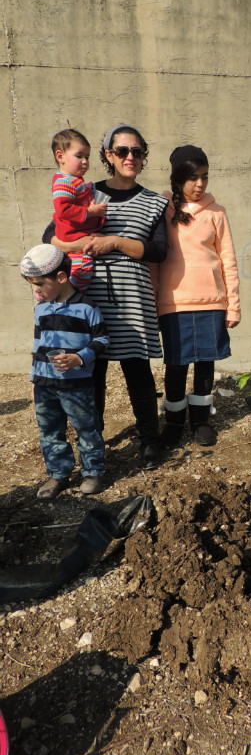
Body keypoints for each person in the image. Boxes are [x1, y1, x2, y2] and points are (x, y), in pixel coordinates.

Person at [44, 123, 169, 469]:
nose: (130, 157)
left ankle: (148, 441)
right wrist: (79, 245)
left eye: (137, 151)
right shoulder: (86, 194)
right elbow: (50, 236)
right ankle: (92, 444)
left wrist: (113, 242)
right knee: (90, 375)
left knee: (138, 373)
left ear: (143, 157)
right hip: (88, 301)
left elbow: (158, 251)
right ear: (108, 156)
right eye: (122, 150)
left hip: (133, 300)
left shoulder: (155, 202)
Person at [154, 145, 241, 446]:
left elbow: (228, 259)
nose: (200, 184)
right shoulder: (161, 209)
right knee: (176, 364)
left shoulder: (217, 212)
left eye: (204, 177)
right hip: (173, 303)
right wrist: (151, 305)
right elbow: (154, 261)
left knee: (206, 361)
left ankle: (201, 421)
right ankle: (174, 420)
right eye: (192, 178)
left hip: (212, 302)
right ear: (178, 178)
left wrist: (233, 306)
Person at [20, 245, 109, 499]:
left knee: (86, 427)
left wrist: (79, 358)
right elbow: (37, 347)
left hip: (76, 385)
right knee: (49, 430)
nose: (36, 291)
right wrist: (33, 380)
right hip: (44, 384)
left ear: (61, 277)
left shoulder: (87, 308)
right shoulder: (41, 309)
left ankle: (92, 471)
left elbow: (102, 340)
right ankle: (58, 473)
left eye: (39, 284)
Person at [51, 128, 107, 291]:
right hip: (72, 236)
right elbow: (63, 209)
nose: (85, 161)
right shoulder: (64, 182)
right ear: (60, 156)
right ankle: (66, 293)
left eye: (87, 157)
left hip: (76, 235)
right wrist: (90, 212)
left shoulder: (74, 180)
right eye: (79, 156)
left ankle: (69, 293)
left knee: (81, 267)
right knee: (81, 269)